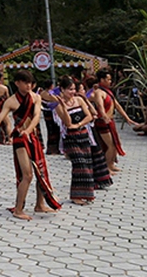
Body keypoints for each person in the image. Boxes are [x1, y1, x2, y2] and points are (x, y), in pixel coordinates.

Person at [0, 69, 62, 220]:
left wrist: (30, 130)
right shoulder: (11, 101)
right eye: (25, 83)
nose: (28, 86)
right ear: (17, 83)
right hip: (20, 139)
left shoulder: (36, 97)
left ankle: (39, 205)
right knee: (28, 174)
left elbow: (37, 116)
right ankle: (19, 209)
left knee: (41, 172)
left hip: (33, 137)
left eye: (30, 83)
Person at [54, 76, 95, 206]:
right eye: (69, 89)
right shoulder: (58, 106)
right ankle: (76, 195)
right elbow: (67, 122)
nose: (72, 92)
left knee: (87, 164)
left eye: (73, 89)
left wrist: (79, 124)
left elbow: (89, 116)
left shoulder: (79, 100)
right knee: (79, 164)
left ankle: (87, 194)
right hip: (70, 138)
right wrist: (63, 106)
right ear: (62, 90)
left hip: (83, 135)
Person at [89, 69, 133, 173]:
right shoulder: (98, 92)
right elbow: (100, 105)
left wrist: (127, 118)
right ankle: (107, 167)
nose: (110, 82)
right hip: (103, 122)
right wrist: (103, 115)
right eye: (108, 79)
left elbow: (117, 105)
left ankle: (111, 164)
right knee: (110, 145)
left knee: (114, 144)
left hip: (110, 121)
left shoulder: (108, 91)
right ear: (102, 80)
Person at [39, 79, 64, 155]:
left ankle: (50, 148)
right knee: (55, 130)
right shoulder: (51, 94)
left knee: (49, 130)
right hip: (53, 113)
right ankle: (54, 149)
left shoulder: (42, 93)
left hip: (46, 113)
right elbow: (58, 100)